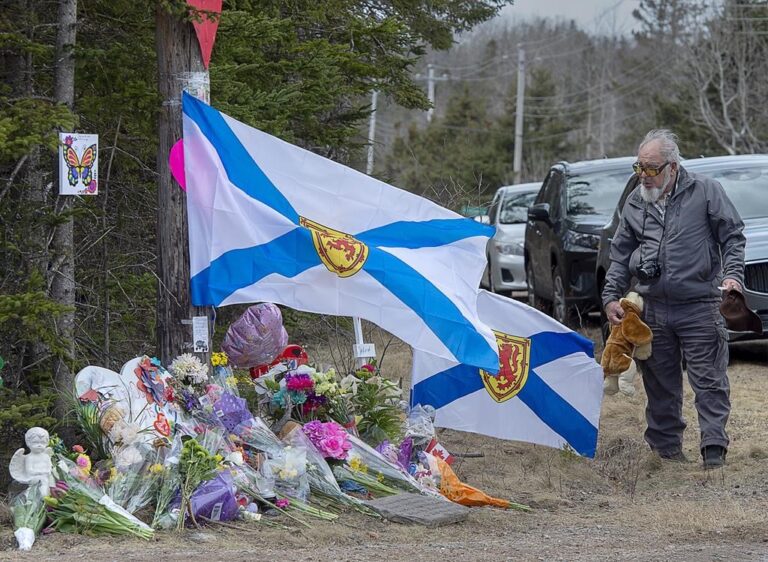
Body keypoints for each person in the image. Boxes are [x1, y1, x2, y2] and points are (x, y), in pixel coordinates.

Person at [602, 129, 746, 469]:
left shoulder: (706, 191)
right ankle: (666, 452)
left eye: (651, 168)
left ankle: (713, 448)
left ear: (673, 167)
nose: (644, 175)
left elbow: (732, 237)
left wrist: (733, 276)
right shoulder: (635, 201)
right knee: (660, 384)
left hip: (700, 304)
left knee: (709, 380)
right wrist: (610, 297)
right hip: (653, 307)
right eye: (639, 167)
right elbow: (619, 254)